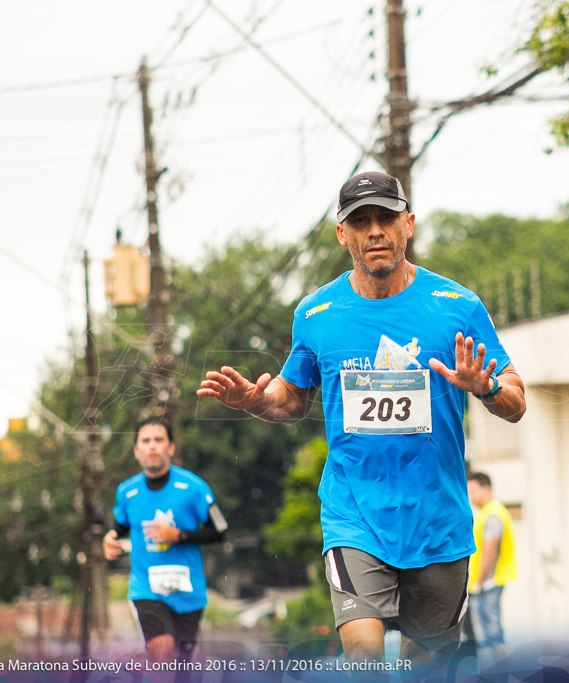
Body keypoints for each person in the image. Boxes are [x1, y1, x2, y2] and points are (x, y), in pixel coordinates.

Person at [197, 170, 526, 675]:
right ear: (342, 233)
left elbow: (517, 400)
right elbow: (292, 398)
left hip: (438, 522)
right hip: (355, 517)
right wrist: (255, 401)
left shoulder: (457, 307)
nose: (375, 230)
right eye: (361, 220)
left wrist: (487, 387)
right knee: (365, 657)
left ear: (408, 224)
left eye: (386, 218)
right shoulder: (317, 312)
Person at [103, 417, 228, 664]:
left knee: (181, 666)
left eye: (159, 440)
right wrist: (110, 540)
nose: (152, 446)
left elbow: (220, 532)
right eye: (146, 441)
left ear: (171, 447)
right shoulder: (126, 492)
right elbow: (118, 528)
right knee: (162, 656)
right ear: (137, 451)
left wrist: (178, 535)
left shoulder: (194, 488)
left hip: (188, 591)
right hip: (146, 588)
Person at [466, 471, 517, 665]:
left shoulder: (492, 514)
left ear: (486, 489)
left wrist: (479, 582)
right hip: (487, 583)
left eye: (473, 489)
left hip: (487, 584)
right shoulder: (487, 513)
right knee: (489, 634)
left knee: (491, 634)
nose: (469, 494)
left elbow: (489, 552)